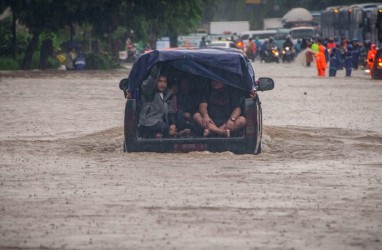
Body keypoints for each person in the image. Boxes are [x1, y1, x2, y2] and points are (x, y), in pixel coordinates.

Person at [138, 64, 172, 138]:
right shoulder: (149, 92)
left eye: (165, 82)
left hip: (159, 123)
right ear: (156, 82)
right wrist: (154, 73)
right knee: (165, 127)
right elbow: (149, 84)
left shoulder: (167, 95)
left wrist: (173, 124)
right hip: (147, 124)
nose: (162, 84)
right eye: (160, 81)